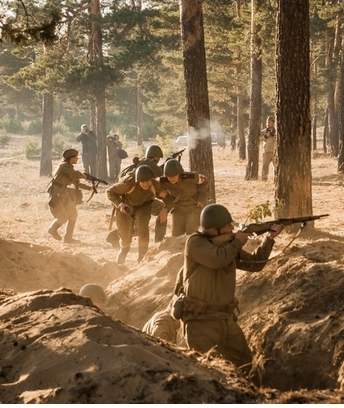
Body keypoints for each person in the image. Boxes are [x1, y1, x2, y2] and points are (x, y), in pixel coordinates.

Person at [179, 203, 283, 372]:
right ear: (214, 229)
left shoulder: (228, 245)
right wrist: (238, 242)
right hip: (201, 322)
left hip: (225, 319)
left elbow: (255, 264)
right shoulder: (195, 243)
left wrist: (269, 239)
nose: (232, 228)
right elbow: (217, 259)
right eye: (228, 226)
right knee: (207, 371)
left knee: (245, 365)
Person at [106, 164, 166, 265]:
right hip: (126, 207)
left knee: (143, 228)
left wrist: (165, 208)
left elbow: (167, 195)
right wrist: (120, 204)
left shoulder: (155, 185)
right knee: (125, 236)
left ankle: (142, 257)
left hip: (144, 206)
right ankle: (124, 249)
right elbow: (110, 192)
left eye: (148, 181)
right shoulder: (128, 184)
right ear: (138, 181)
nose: (146, 184)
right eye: (143, 182)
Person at [47, 148, 94, 244]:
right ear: (71, 158)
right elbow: (75, 175)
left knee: (73, 215)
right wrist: (85, 176)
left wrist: (90, 188)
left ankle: (68, 238)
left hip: (64, 193)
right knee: (63, 217)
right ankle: (52, 229)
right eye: (76, 157)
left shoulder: (68, 168)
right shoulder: (64, 166)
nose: (77, 159)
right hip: (57, 194)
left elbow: (75, 182)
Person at [159, 159, 209, 237]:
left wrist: (201, 199)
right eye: (169, 176)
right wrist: (166, 208)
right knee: (176, 235)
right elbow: (166, 197)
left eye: (174, 176)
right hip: (178, 207)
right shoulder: (163, 182)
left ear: (179, 173)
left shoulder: (191, 177)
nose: (172, 179)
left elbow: (204, 182)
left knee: (191, 232)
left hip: (194, 206)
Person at [260, 115, 277, 181]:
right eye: (267, 122)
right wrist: (266, 136)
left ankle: (276, 178)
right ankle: (264, 178)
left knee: (276, 166)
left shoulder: (276, 131)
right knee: (265, 166)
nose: (268, 124)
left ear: (273, 122)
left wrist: (274, 138)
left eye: (269, 122)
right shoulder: (264, 131)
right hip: (266, 152)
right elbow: (260, 138)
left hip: (274, 152)